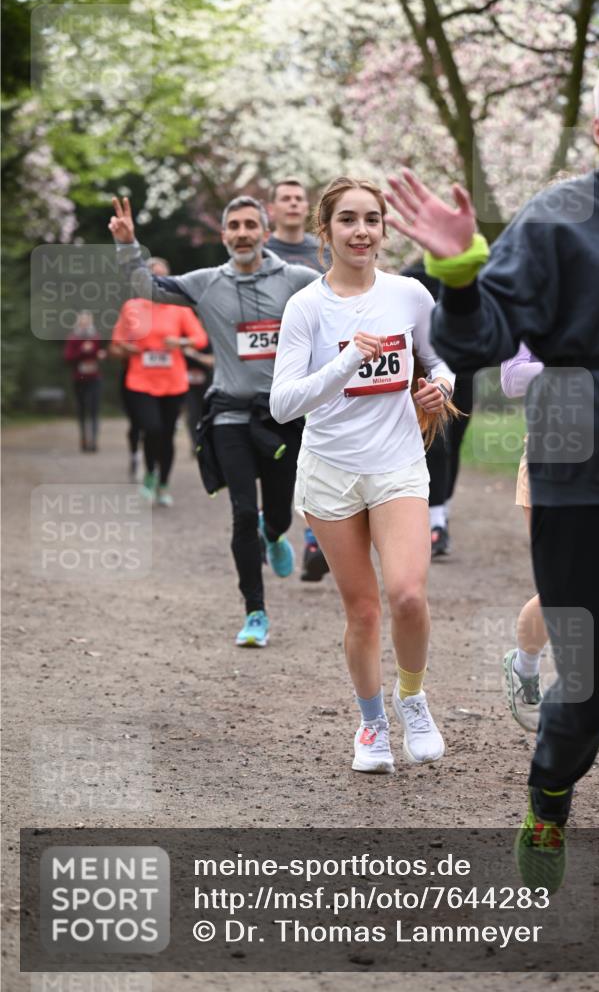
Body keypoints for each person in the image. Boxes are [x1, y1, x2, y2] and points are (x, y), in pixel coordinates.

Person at [385, 52, 599, 977]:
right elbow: (477, 343)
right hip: (584, 485)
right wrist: (460, 276)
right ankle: (549, 796)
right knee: (583, 696)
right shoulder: (560, 218)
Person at [271, 176, 458, 774]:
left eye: (372, 219)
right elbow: (283, 403)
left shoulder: (409, 294)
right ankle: (372, 724)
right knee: (364, 611)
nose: (361, 231)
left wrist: (438, 389)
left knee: (406, 594)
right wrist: (349, 356)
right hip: (330, 472)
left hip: (399, 462)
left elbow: (442, 361)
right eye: (347, 220)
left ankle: (414, 699)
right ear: (324, 231)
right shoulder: (306, 306)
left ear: (384, 229)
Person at [109, 195, 319, 645]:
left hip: (281, 414)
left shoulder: (299, 280)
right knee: (242, 512)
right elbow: (148, 288)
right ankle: (255, 613)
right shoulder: (206, 283)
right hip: (228, 412)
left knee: (278, 511)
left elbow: (342, 299)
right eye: (234, 226)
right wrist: (129, 246)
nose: (242, 233)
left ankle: (276, 532)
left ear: (265, 232)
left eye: (250, 225)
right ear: (223, 236)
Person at [501, 342, 599, 785]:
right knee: (566, 591)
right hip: (557, 460)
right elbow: (513, 379)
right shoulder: (549, 291)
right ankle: (525, 665)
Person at [266, 177, 330, 582]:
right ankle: (270, 524)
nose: (292, 204)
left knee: (316, 451)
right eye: (284, 198)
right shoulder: (260, 251)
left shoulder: (321, 251)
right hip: (268, 370)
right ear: (270, 208)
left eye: (298, 199)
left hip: (319, 368)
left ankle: (314, 537)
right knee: (277, 463)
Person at [109, 257, 208, 506]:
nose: (157, 280)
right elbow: (116, 343)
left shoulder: (180, 308)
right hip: (140, 380)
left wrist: (181, 343)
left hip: (173, 381)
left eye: (162, 276)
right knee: (151, 429)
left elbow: (200, 338)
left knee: (166, 435)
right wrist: (126, 348)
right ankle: (150, 473)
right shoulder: (132, 306)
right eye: (152, 275)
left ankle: (163, 483)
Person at [401, 259, 474, 557]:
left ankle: (442, 509)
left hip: (465, 367)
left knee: (454, 442)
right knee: (437, 442)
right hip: (429, 371)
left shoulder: (470, 274)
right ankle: (435, 522)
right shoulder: (411, 278)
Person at [63, 310, 105, 452]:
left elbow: (98, 353)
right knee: (81, 409)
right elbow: (68, 358)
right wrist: (82, 350)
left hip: (95, 378)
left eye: (88, 320)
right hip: (79, 379)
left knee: (94, 409)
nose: (85, 322)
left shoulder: (96, 337)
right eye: (83, 320)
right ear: (78, 322)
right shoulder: (73, 338)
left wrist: (100, 355)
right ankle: (83, 438)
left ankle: (93, 441)